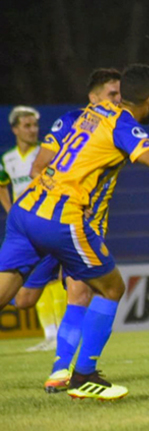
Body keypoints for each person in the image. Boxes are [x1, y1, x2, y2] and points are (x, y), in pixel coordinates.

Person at [0, 64, 149, 400]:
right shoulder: (122, 123)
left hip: (26, 210)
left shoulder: (92, 113)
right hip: (62, 217)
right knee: (111, 288)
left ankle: (66, 369)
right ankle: (83, 376)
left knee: (10, 295)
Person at [12, 68, 123, 392]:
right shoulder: (70, 122)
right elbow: (38, 167)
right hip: (55, 218)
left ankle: (62, 371)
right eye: (111, 94)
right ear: (93, 97)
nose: (117, 100)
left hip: (87, 226)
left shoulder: (119, 126)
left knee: (80, 293)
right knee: (24, 301)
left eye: (120, 94)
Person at [0, 106, 67, 352]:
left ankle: (60, 333)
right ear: (15, 129)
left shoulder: (46, 153)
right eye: (27, 126)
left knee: (52, 278)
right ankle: (49, 334)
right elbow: (2, 184)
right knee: (32, 280)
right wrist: (10, 209)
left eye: (35, 125)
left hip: (46, 221)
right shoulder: (7, 158)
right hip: (22, 227)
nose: (33, 130)